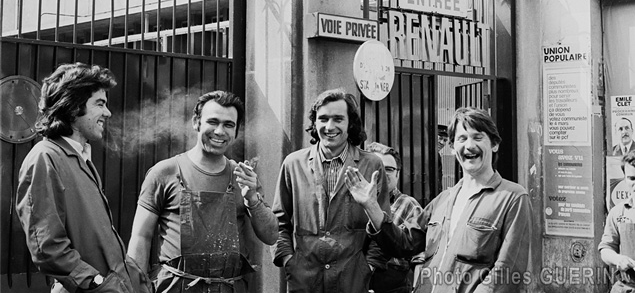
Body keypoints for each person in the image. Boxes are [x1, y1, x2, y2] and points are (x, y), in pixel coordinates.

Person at [345, 107, 532, 293]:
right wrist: (371, 206)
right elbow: (403, 243)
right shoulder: (444, 199)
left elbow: (507, 271)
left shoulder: (513, 198)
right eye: (462, 138)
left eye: (478, 137)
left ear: (494, 144)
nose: (469, 146)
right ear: (452, 147)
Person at [16, 63, 151, 293]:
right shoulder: (45, 157)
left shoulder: (80, 156)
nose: (107, 113)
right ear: (73, 106)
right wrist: (96, 283)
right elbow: (47, 248)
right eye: (99, 104)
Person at [127, 90, 278, 293]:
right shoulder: (165, 172)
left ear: (236, 131)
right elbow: (141, 236)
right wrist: (137, 287)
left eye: (228, 125)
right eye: (212, 122)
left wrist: (252, 198)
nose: (219, 131)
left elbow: (271, 236)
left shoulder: (243, 176)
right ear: (196, 122)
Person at [271, 88, 390, 293]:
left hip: (352, 282)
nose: (329, 126)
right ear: (314, 123)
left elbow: (383, 225)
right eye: (323, 119)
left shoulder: (371, 165)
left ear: (350, 123)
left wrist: (368, 266)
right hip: (305, 283)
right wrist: (289, 261)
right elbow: (279, 222)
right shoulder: (293, 164)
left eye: (338, 119)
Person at [365, 142, 423, 293]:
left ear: (398, 174)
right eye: (377, 166)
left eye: (389, 169)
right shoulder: (352, 203)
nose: (383, 173)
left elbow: (420, 258)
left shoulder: (410, 206)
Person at [599, 150, 635, 292]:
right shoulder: (618, 213)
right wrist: (618, 259)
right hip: (626, 287)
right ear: (625, 179)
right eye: (632, 178)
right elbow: (606, 249)